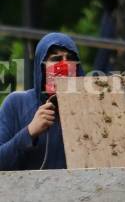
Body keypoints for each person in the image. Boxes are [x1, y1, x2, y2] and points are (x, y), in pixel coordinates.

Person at [0, 33, 84, 170]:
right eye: (56, 59)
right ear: (41, 67)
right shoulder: (17, 104)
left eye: (70, 58)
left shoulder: (89, 108)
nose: (65, 64)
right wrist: (29, 132)